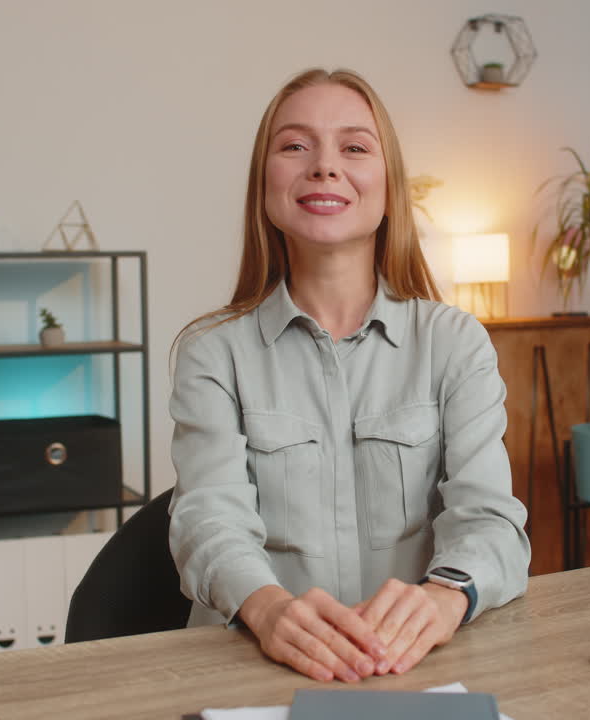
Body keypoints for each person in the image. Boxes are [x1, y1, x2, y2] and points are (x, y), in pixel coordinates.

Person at [168, 68, 530, 684]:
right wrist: (269, 610)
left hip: (413, 668)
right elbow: (208, 521)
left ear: (389, 186)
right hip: (253, 669)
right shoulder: (211, 351)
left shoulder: (455, 342)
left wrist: (445, 599)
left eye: (355, 147)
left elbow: (491, 521)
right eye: (295, 145)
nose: (325, 167)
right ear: (264, 184)